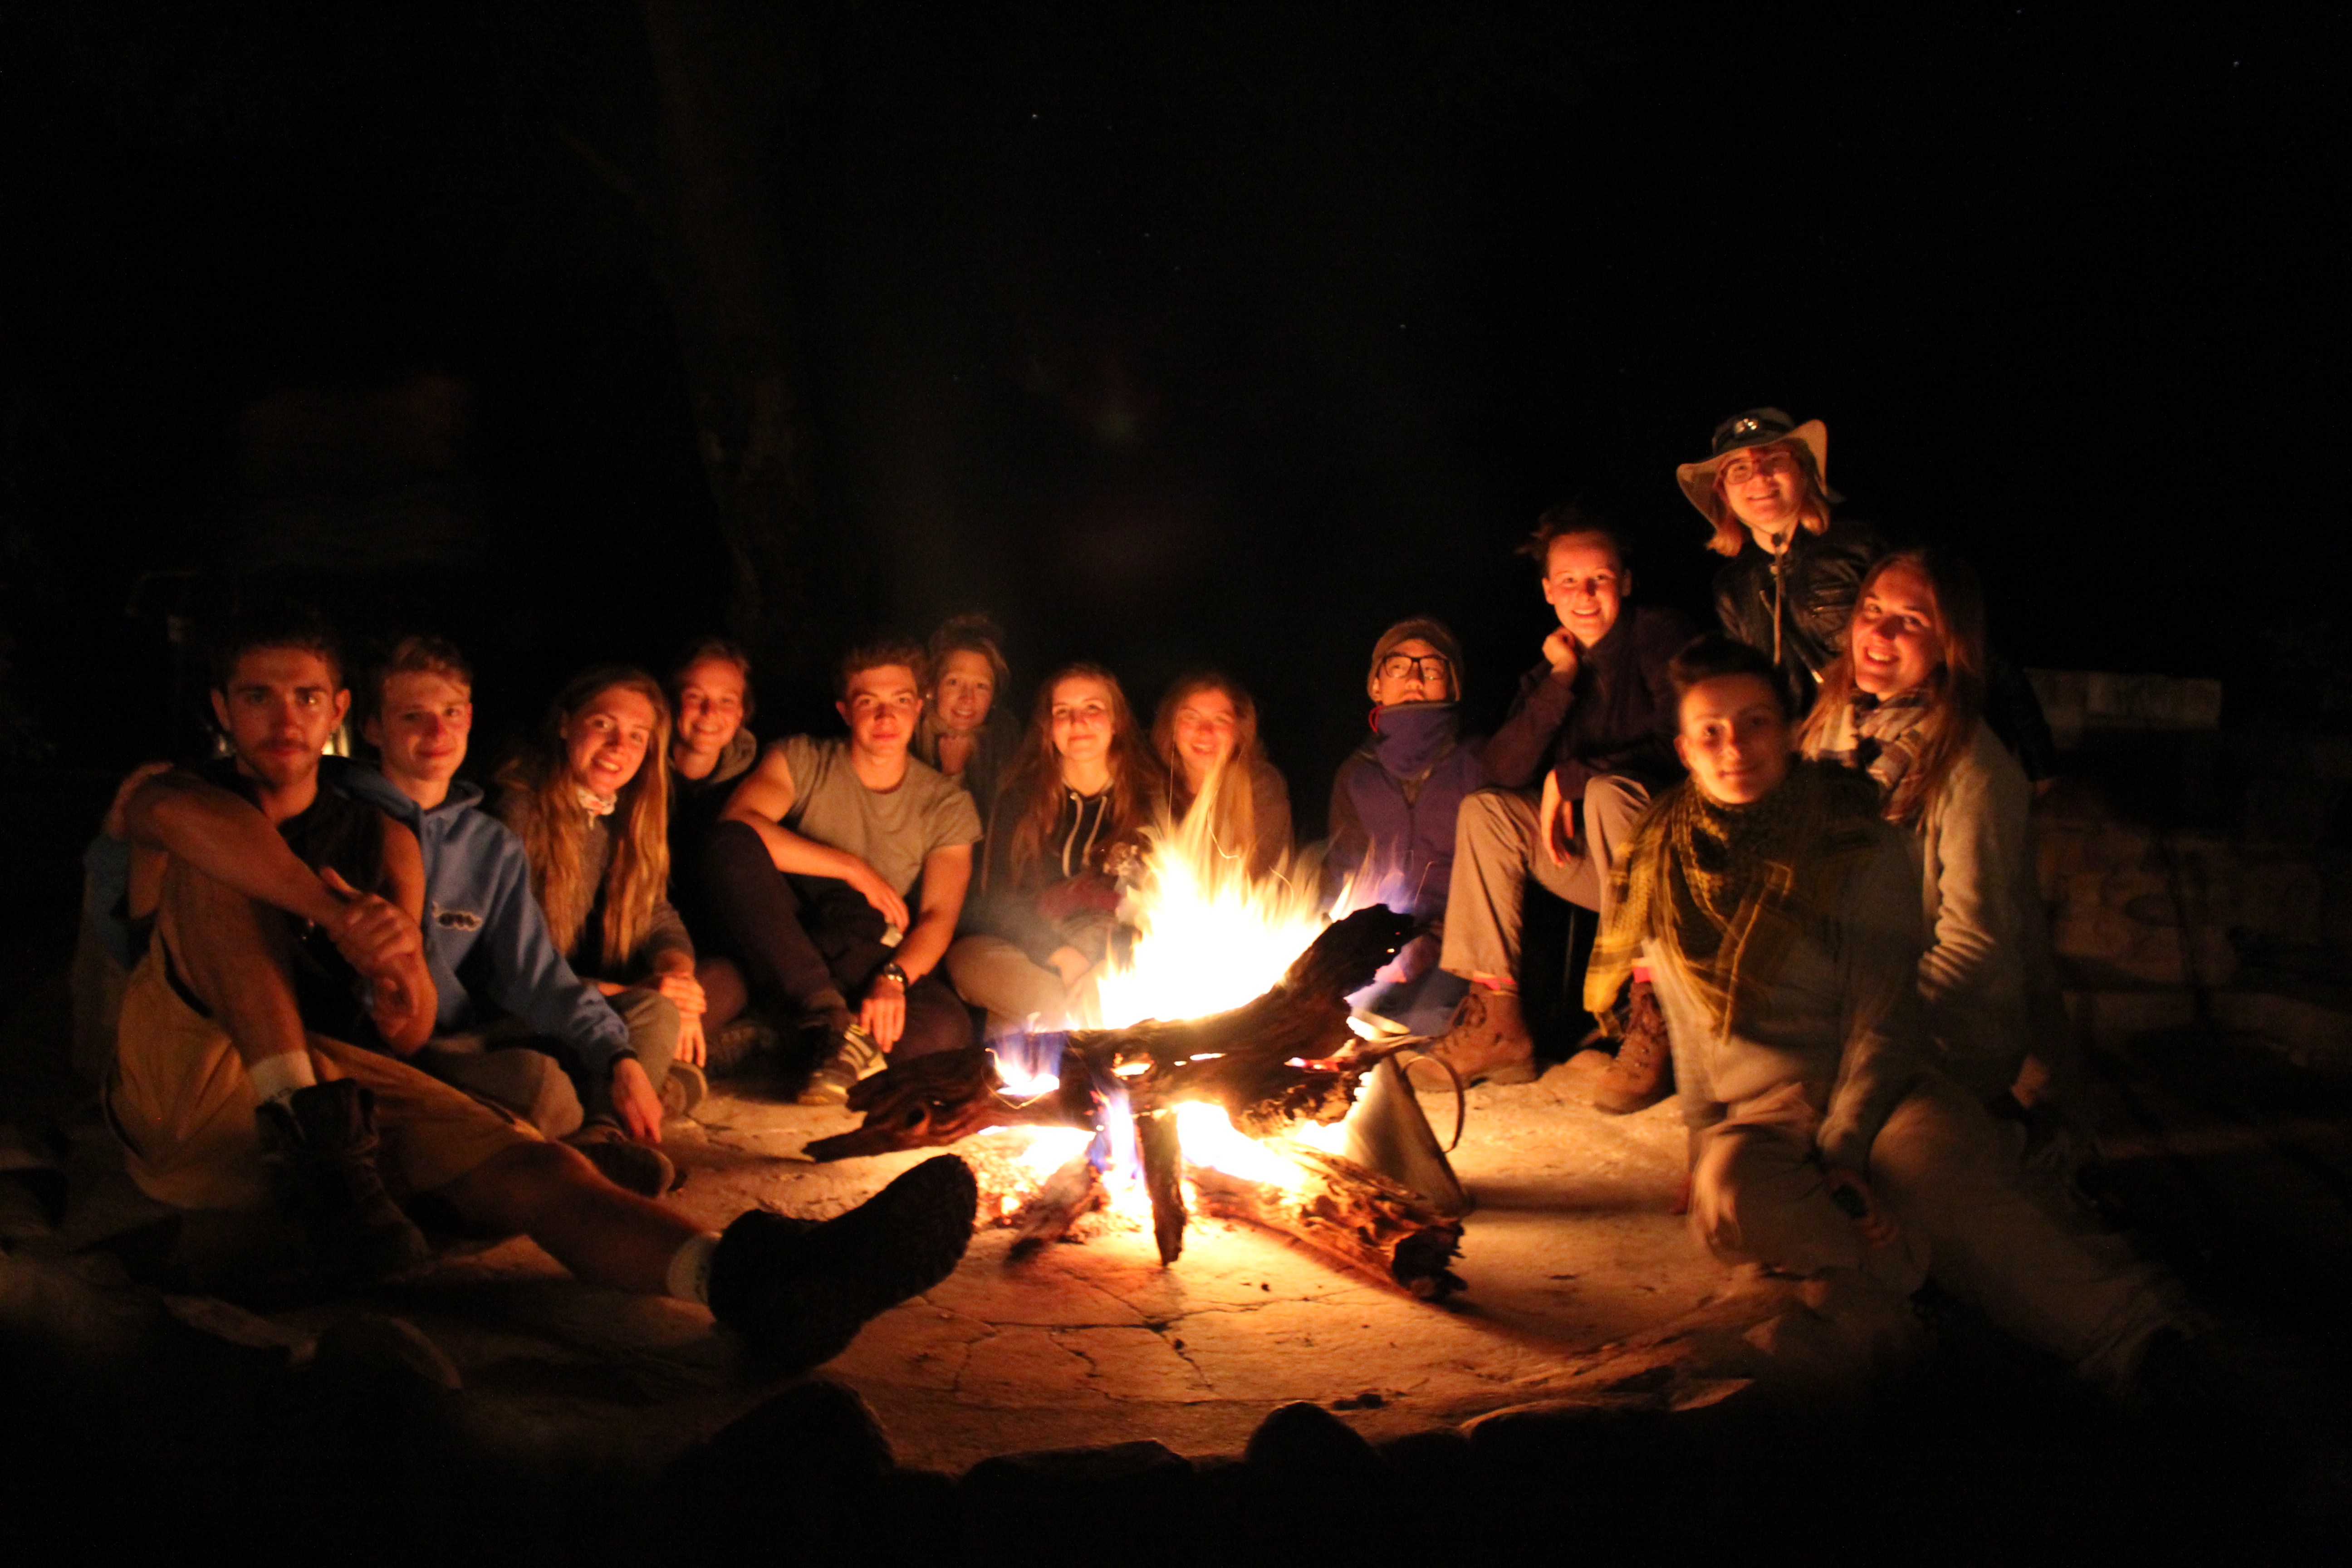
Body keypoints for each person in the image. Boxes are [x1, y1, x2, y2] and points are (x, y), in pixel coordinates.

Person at [108, 603, 978, 1357]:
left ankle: (753, 1280)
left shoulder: (382, 838)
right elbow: (177, 818)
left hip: (336, 1090)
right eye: (257, 697)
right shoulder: (178, 794)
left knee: (538, 1165)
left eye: (304, 697)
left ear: (336, 708)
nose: (284, 720)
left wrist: (393, 978)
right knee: (217, 867)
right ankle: (313, 1136)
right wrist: (336, 917)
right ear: (223, 709)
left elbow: (408, 1028)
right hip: (190, 1077)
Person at [1585, 634, 2177, 1394]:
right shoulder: (1661, 852)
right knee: (1726, 1200)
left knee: (1926, 1173)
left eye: (1754, 722)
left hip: (1879, 1083)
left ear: (1789, 728)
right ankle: (1907, 1274)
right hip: (1763, 1109)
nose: (1733, 747)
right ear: (1683, 747)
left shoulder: (1850, 836)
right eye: (1709, 731)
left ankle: (2132, 1338)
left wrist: (1842, 1150)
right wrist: (1701, 1140)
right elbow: (1690, 1031)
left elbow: (1881, 1015)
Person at [338, 637, 680, 1197]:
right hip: (400, 1050)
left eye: (451, 714)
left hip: (477, 1034)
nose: (438, 733)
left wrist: (618, 1057)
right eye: (413, 717)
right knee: (544, 1086)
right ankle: (596, 1132)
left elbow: (534, 972)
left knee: (645, 1019)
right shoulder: (346, 822)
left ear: (470, 717)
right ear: (372, 728)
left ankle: (601, 1137)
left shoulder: (487, 843)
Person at [1421, 510, 1693, 1104]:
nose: (1584, 594)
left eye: (1599, 578)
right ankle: (1498, 1023)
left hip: (1672, 870)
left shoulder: (1662, 638)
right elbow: (1500, 772)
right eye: (1568, 581)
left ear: (1624, 581)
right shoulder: (1550, 673)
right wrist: (1562, 679)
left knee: (1604, 792)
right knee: (1486, 812)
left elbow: (1690, 744)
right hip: (1602, 874)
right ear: (1548, 590)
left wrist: (1572, 776)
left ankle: (1656, 1014)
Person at [1797, 549, 2072, 1105]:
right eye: (1872, 608)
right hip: (1838, 1012)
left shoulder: (1975, 771)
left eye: (1912, 620)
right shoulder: (1833, 730)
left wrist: (1858, 1031)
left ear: (1951, 644)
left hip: (1938, 1038)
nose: (1880, 629)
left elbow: (1972, 949)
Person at [701, 637, 982, 1103]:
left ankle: (790, 1039)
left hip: (866, 950)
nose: (885, 717)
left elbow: (939, 917)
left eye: (899, 702)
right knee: (728, 847)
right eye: (868, 703)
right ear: (845, 711)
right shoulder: (801, 758)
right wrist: (852, 868)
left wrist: (893, 980)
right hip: (792, 938)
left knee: (942, 1033)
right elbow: (738, 827)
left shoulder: (946, 803)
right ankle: (827, 1016)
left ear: (919, 707)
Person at [495, 667, 706, 1163]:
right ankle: (633, 1103)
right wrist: (639, 995)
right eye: (604, 725)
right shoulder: (521, 810)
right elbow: (519, 966)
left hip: (579, 1002)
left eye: (637, 736)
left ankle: (606, 1133)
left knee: (694, 992)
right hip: (518, 1002)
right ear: (566, 724)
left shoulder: (620, 810)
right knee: (657, 1020)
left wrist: (676, 972)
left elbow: (656, 914)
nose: (619, 746)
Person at [946, 665, 1162, 1034]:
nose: (1077, 721)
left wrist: (1103, 966)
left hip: (1116, 958)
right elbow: (997, 899)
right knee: (966, 960)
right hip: (1033, 952)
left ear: (1117, 723)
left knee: (1022, 1022)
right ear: (1049, 728)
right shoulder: (1021, 797)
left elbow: (1159, 909)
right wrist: (1064, 958)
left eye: (1092, 708)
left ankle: (1044, 1055)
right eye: (1063, 712)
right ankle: (1080, 1027)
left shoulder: (1153, 798)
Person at [1325, 618, 1486, 1036]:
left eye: (1431, 670)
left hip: (1459, 948)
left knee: (1430, 1026)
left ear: (1453, 688)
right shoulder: (1356, 776)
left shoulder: (1480, 763)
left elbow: (1500, 884)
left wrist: (1435, 940)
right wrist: (1367, 947)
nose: (1414, 677)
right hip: (1384, 949)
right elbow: (1345, 872)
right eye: (1398, 667)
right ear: (1376, 685)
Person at [1676, 407, 1883, 720]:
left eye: (1775, 460)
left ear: (1803, 471)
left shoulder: (1860, 545)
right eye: (1739, 469)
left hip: (1875, 732)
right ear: (1723, 492)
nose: (1759, 477)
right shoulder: (1732, 585)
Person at [662, 639, 763, 1052]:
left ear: (741, 714)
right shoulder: (632, 775)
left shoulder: (754, 786)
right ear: (671, 705)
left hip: (709, 955)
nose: (710, 714)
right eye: (695, 698)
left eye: (726, 701)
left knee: (724, 985)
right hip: (638, 945)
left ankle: (664, 1060)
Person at [1151, 670, 1291, 880]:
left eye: (1220, 720)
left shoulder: (1260, 787)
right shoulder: (1153, 787)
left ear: (1238, 731)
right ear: (1172, 725)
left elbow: (1266, 876)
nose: (1205, 732)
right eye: (1191, 717)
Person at [912, 614, 1019, 819]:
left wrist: (956, 773)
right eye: (954, 682)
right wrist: (952, 774)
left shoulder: (1007, 746)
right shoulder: (906, 738)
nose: (967, 698)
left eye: (981, 686)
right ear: (933, 687)